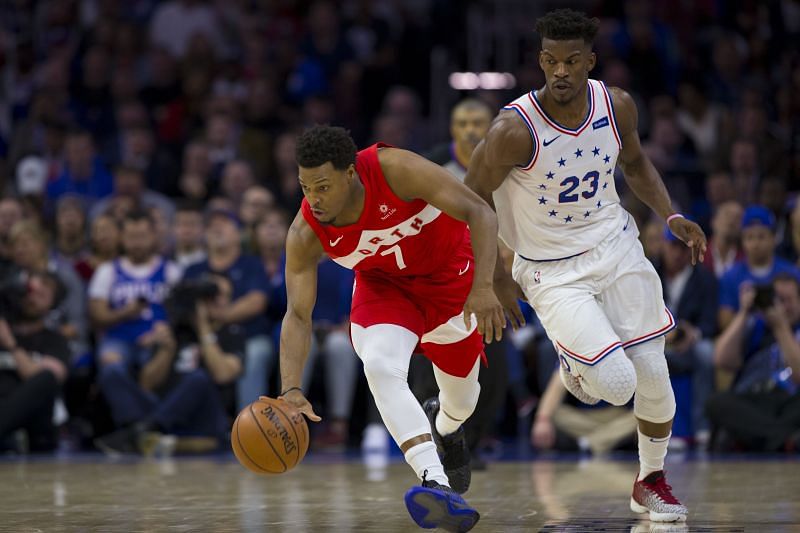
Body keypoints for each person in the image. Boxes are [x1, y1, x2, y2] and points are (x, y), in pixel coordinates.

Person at [464, 9, 707, 523]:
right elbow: (470, 199)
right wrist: (496, 277)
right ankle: (576, 364)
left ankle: (651, 480)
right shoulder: (514, 129)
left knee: (655, 376)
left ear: (589, 62)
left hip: (615, 246)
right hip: (551, 270)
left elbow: (636, 165)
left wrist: (673, 214)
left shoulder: (615, 105)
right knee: (617, 385)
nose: (560, 71)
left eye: (572, 61)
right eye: (550, 60)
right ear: (540, 61)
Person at [279, 125, 507, 531]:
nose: (313, 199)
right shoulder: (305, 233)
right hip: (386, 292)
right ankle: (435, 483)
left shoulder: (394, 169)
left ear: (351, 173)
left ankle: (446, 426)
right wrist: (291, 389)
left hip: (450, 282)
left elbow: (480, 212)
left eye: (323, 186)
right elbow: (298, 315)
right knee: (380, 365)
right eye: (305, 187)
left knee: (463, 400)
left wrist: (486, 286)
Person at [708, 274, 800, 451]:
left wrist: (780, 327)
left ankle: (760, 438)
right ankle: (781, 439)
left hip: (789, 402)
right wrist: (743, 313)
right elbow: (720, 359)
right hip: (754, 400)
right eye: (777, 300)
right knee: (716, 402)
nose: (782, 307)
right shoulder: (755, 326)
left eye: (788, 300)